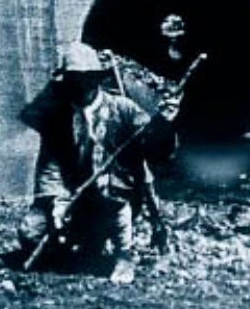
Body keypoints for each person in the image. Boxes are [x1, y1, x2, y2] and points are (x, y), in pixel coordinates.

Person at [17, 42, 178, 284]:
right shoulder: (58, 116)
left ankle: (123, 255)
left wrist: (164, 123)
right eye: (75, 78)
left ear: (97, 78)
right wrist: (56, 204)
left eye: (87, 77)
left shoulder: (123, 109)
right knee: (31, 231)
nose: (82, 84)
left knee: (109, 197)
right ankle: (75, 242)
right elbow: (51, 167)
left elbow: (155, 147)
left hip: (117, 195)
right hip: (73, 195)